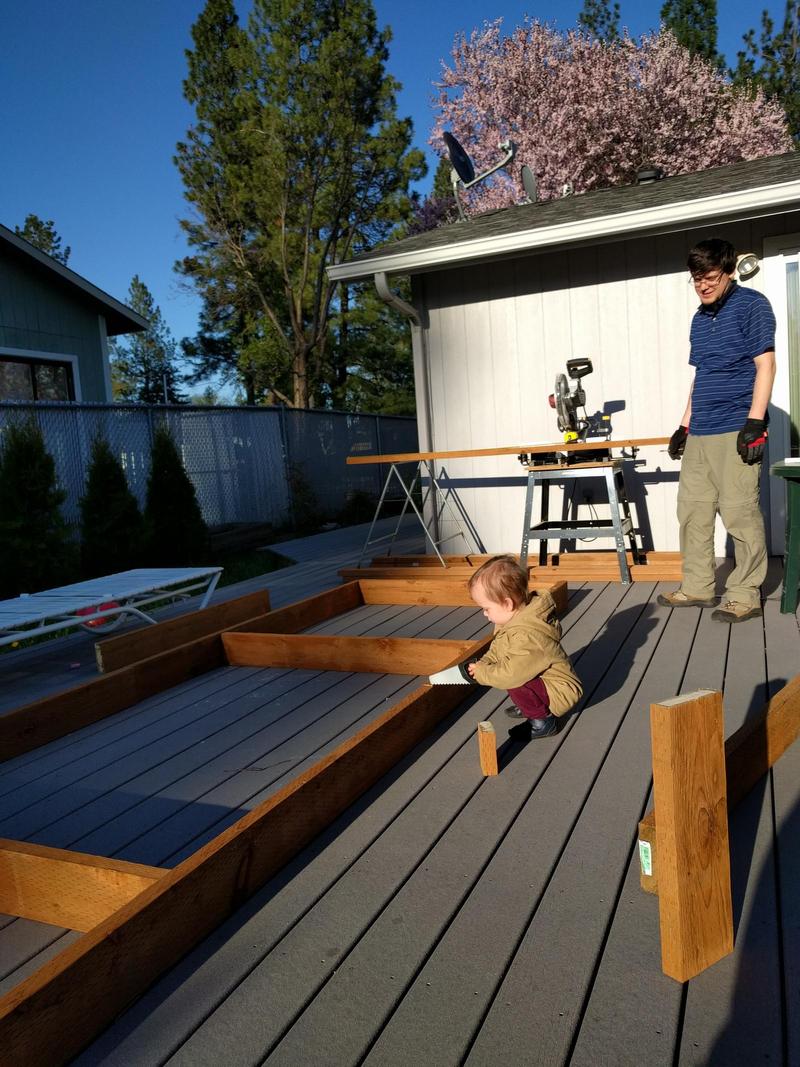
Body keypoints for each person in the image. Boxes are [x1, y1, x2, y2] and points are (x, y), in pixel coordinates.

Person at [659, 238, 776, 623]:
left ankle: (744, 593)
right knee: (692, 511)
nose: (703, 285)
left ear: (728, 272)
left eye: (710, 277)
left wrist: (755, 422)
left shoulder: (753, 306)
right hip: (702, 431)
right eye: (696, 279)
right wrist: (683, 424)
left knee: (740, 513)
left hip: (736, 426)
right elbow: (702, 374)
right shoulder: (700, 318)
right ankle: (698, 586)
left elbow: (766, 365)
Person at [466, 555, 583, 738]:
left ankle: (542, 721)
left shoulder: (527, 635)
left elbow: (512, 674)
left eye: (487, 608)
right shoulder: (514, 620)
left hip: (561, 692)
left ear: (507, 604)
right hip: (546, 684)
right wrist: (485, 662)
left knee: (514, 678)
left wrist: (483, 673)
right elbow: (498, 649)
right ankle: (532, 704)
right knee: (510, 669)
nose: (484, 613)